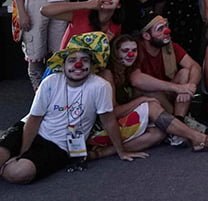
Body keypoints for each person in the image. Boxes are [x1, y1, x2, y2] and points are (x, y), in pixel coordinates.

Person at [0, 32, 146, 184]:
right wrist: (23, 151)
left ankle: (10, 164)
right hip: (29, 128)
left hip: (59, 144)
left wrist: (121, 152)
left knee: (19, 173)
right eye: (72, 60)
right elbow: (34, 119)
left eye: (85, 60)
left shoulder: (100, 86)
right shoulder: (50, 82)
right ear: (63, 64)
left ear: (91, 66)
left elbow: (109, 121)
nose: (78, 65)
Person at [93, 34, 208, 157]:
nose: (130, 54)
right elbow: (113, 113)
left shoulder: (128, 70)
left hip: (123, 123)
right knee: (151, 105)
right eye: (125, 50)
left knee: (160, 133)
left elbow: (194, 66)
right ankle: (198, 138)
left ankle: (105, 152)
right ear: (115, 52)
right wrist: (142, 100)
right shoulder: (108, 74)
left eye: (134, 50)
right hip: (103, 129)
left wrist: (187, 87)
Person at [135, 15, 206, 134]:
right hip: (149, 99)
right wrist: (178, 88)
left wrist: (190, 86)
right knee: (149, 91)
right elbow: (136, 80)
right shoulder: (137, 50)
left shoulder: (171, 47)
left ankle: (179, 121)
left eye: (166, 26)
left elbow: (195, 67)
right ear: (146, 36)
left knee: (185, 73)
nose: (167, 31)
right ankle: (180, 124)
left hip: (167, 95)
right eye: (160, 29)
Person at [41, 0, 123, 48]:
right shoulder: (81, 14)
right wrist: (86, 4)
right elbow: (45, 10)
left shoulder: (116, 26)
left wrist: (108, 44)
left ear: (119, 5)